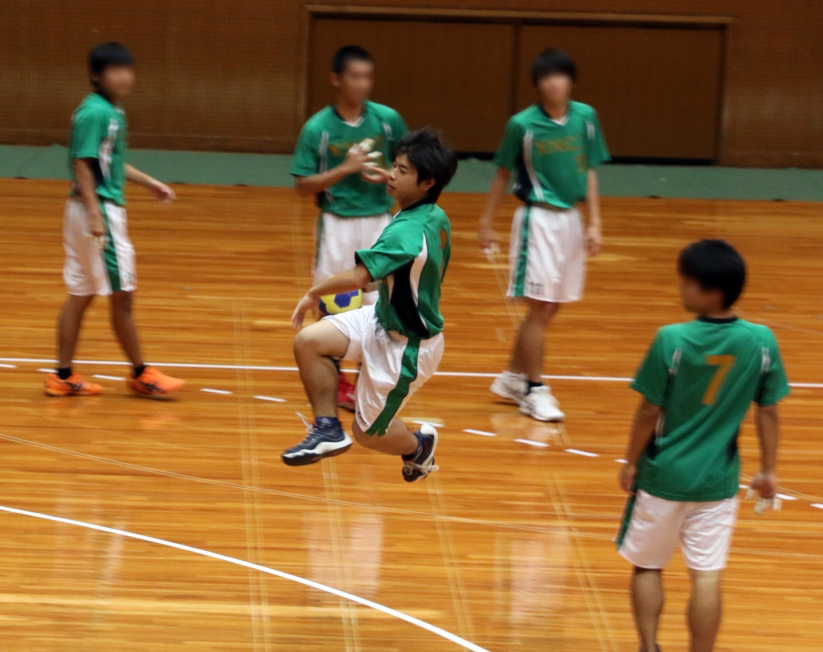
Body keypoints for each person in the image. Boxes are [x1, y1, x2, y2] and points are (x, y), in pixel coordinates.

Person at [616, 240, 788, 652]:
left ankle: (649, 646)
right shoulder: (762, 341)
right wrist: (769, 470)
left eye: (687, 282)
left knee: (648, 565)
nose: (682, 289)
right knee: (707, 574)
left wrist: (630, 461)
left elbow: (647, 411)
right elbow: (768, 411)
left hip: (663, 475)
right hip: (719, 478)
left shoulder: (671, 338)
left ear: (710, 291)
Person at [282, 128, 455, 482]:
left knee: (368, 435)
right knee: (309, 342)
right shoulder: (432, 214)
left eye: (403, 171)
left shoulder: (405, 234)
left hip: (407, 349)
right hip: (381, 318)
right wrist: (398, 179)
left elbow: (361, 278)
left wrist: (314, 292)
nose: (392, 175)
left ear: (427, 182)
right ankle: (328, 428)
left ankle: (417, 447)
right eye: (394, 166)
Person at [44, 43, 184, 398]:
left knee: (81, 293)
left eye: (128, 69)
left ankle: (61, 375)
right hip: (98, 211)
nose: (124, 76)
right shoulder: (96, 113)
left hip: (84, 211)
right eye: (114, 69)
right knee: (122, 294)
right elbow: (81, 162)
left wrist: (149, 183)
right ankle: (141, 373)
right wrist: (94, 212)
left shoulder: (108, 111)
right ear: (96, 75)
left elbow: (109, 163)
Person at [478, 48, 609, 422]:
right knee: (539, 307)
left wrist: (595, 222)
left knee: (552, 307)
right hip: (537, 221)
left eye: (561, 75)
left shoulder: (585, 119)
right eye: (547, 77)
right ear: (538, 85)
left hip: (571, 220)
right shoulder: (522, 125)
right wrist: (486, 221)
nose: (554, 82)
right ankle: (535, 389)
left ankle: (510, 378)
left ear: (571, 80)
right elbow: (503, 173)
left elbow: (590, 173)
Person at [290, 45, 408, 411]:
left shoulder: (388, 121)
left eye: (367, 76)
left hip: (379, 222)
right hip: (336, 224)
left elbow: (408, 168)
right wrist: (345, 168)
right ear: (336, 79)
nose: (362, 84)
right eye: (355, 76)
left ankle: (368, 379)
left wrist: (387, 177)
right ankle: (337, 379)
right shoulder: (318, 128)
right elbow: (302, 185)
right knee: (335, 303)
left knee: (381, 301)